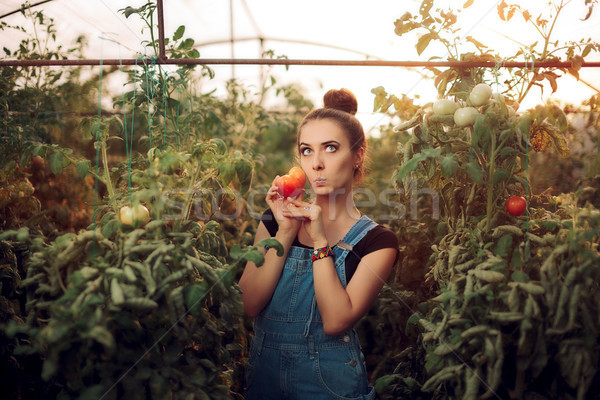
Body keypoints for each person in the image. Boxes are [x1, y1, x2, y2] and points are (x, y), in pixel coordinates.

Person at [238, 88, 399, 400]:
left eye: (331, 148)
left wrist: (320, 240)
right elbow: (249, 304)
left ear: (358, 155)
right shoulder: (274, 222)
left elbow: (336, 320)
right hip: (263, 380)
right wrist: (285, 232)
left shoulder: (377, 241)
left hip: (329, 384)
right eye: (307, 151)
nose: (317, 163)